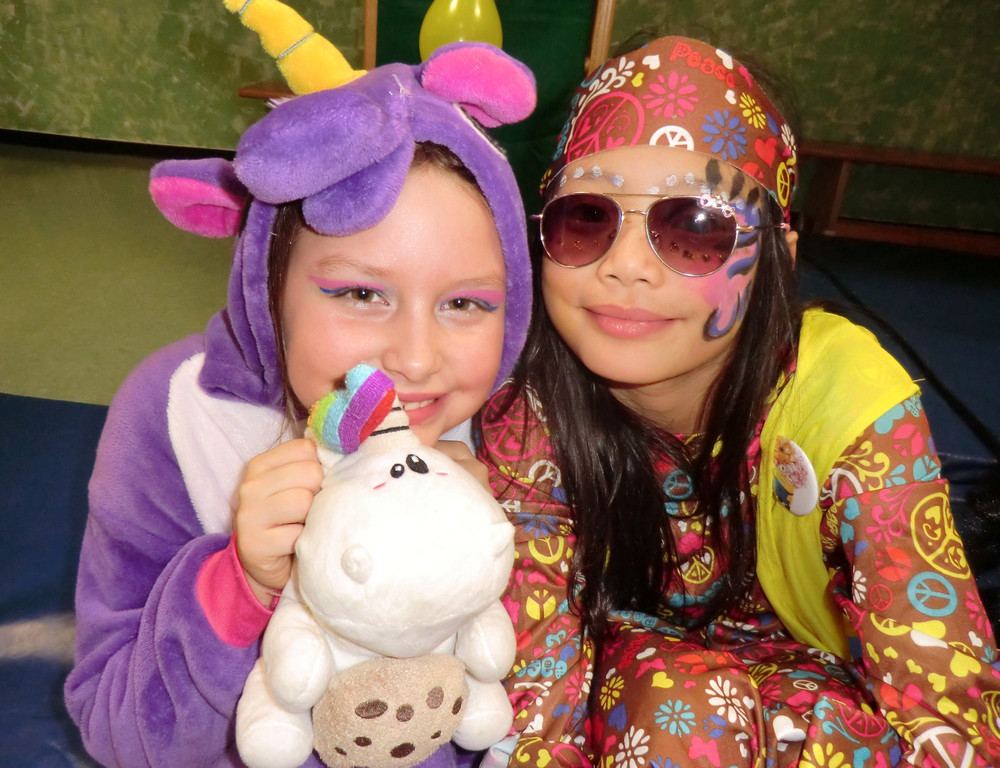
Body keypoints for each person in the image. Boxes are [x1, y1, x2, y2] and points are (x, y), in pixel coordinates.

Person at [477, 35, 1000, 767]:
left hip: (817, 697)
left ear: (777, 257)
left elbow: (951, 716)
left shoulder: (843, 399)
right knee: (681, 706)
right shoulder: (525, 409)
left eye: (695, 228)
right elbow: (537, 708)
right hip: (623, 687)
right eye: (586, 217)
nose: (625, 266)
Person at [62, 1, 536, 765]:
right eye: (361, 293)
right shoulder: (180, 416)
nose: (416, 360)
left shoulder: (514, 429)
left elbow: (542, 704)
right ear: (268, 286)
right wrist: (237, 586)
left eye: (465, 304)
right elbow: (121, 734)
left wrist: (501, 564)